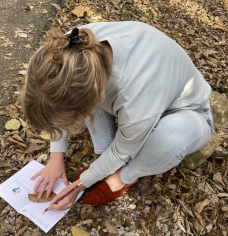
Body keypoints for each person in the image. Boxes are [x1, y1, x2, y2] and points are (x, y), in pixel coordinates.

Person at [21, 21, 213, 211]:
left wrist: (80, 184)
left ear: (99, 98)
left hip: (188, 113)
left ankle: (123, 177)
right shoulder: (70, 49)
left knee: (169, 140)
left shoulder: (136, 100)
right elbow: (54, 97)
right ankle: (104, 160)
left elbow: (123, 151)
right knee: (75, 101)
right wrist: (56, 157)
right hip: (140, 98)